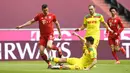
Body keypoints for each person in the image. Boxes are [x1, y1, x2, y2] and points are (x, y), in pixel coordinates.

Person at [16, 4, 63, 68]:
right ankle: (49, 64)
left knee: (49, 46)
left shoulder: (52, 16)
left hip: (50, 34)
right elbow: (31, 21)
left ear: (48, 9)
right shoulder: (39, 16)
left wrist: (60, 33)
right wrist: (21, 26)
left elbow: (57, 23)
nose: (45, 11)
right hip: (42, 36)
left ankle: (58, 49)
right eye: (44, 10)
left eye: (46, 10)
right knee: (41, 52)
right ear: (42, 10)